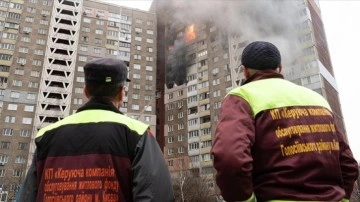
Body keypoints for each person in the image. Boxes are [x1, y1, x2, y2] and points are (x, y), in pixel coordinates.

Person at [211, 41, 359, 202]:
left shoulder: (241, 97)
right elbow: (348, 164)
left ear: (244, 71)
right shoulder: (318, 99)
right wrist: (341, 197)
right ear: (280, 68)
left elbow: (230, 157)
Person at [18, 58, 175, 202]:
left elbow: (27, 196)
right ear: (122, 93)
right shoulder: (138, 134)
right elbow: (155, 196)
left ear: (86, 92)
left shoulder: (46, 136)